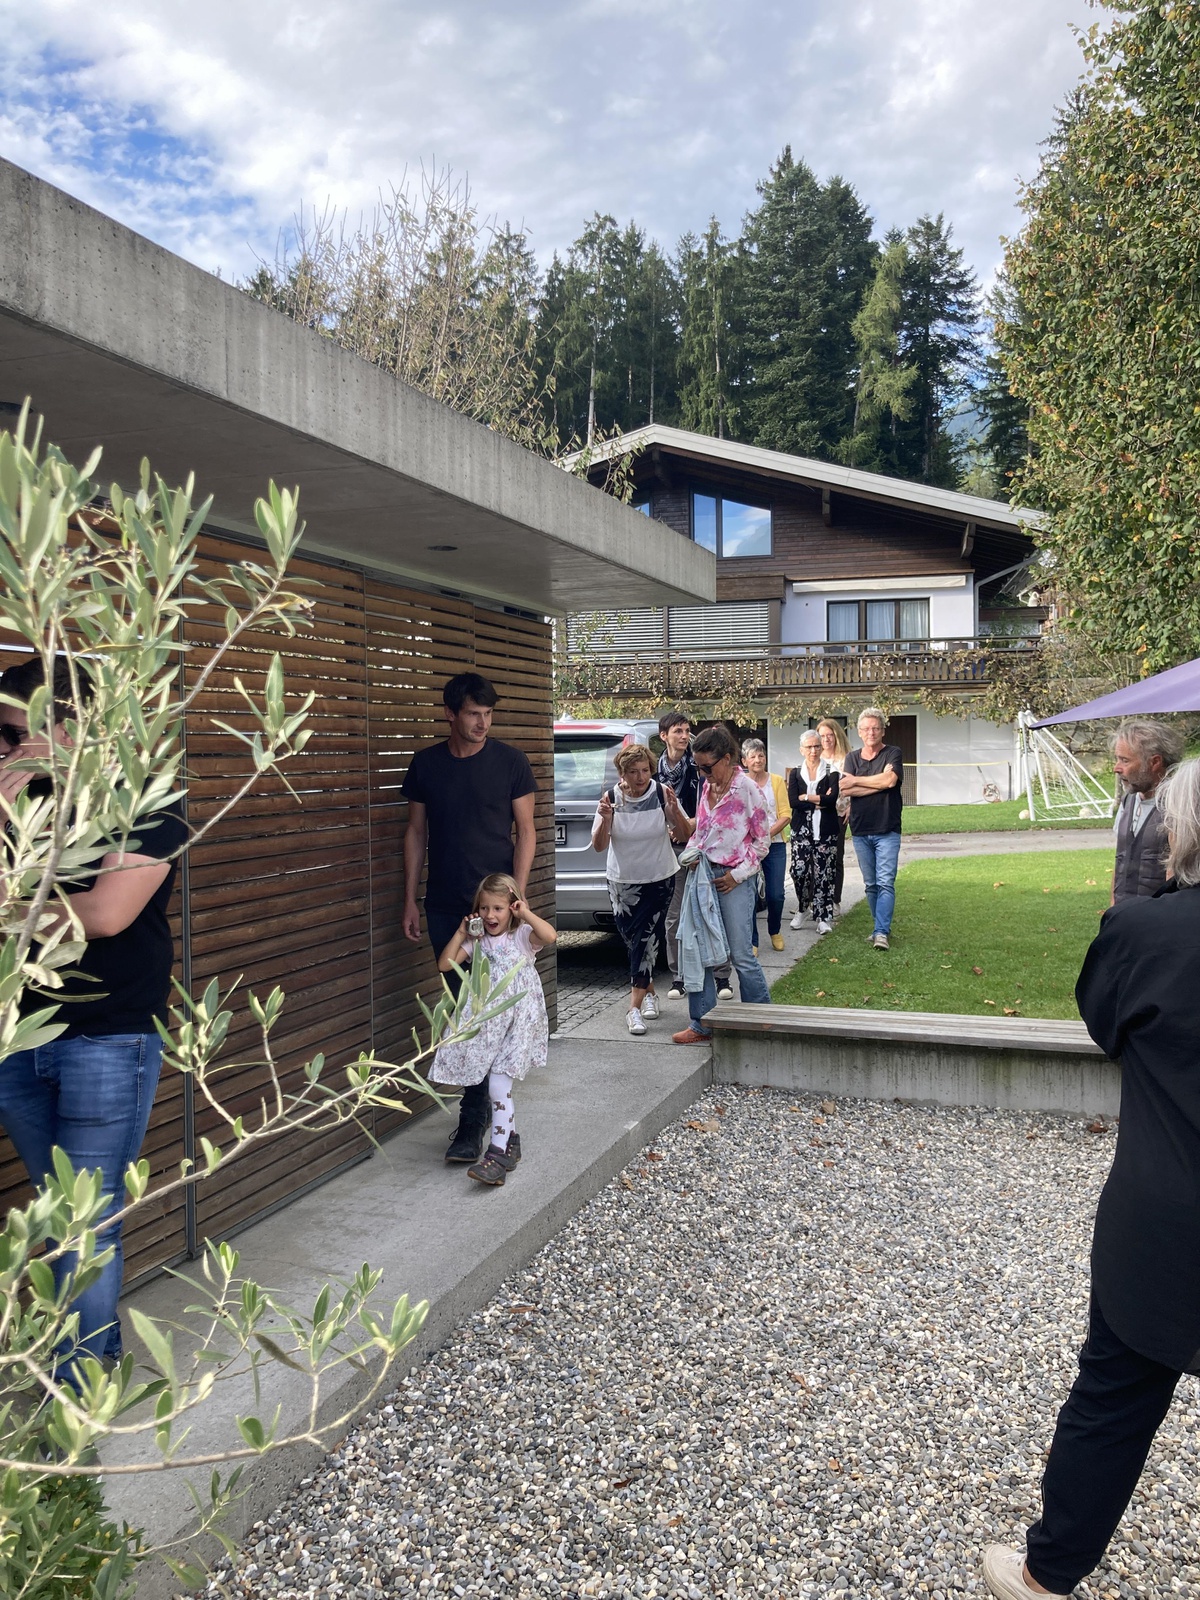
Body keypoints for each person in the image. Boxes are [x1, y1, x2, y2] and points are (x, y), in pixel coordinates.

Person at [981, 755, 1200, 1600]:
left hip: (1167, 1211)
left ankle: (1047, 1574)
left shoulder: (1144, 933)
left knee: (1114, 1394)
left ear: (1182, 831)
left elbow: (1107, 1023)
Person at [0, 654, 188, 1368]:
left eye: (14, 734)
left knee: (85, 1223)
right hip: (18, 1033)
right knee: (61, 1217)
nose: (4, 751)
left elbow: (107, 914)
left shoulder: (146, 801)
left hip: (108, 1038)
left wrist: (12, 907)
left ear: (69, 728)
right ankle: (94, 1361)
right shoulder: (15, 804)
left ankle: (76, 1400)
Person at [402, 672, 538, 1163]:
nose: (483, 723)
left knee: (483, 1013)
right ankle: (484, 1114)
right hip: (445, 906)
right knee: (464, 1010)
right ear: (451, 714)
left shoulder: (511, 762)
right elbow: (416, 834)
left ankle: (473, 1120)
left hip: (495, 911)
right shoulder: (426, 765)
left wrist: (516, 899)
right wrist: (409, 898)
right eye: (474, 714)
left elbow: (526, 832)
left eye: (488, 714)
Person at [429, 875, 556, 1189]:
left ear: (511, 908)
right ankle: (510, 1145)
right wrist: (462, 933)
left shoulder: (521, 936)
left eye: (498, 908)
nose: (490, 915)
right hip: (491, 1026)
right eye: (484, 908)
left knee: (498, 1085)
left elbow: (550, 936)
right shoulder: (478, 942)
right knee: (497, 1085)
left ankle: (497, 1154)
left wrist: (526, 913)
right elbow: (446, 964)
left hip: (519, 1023)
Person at [669, 725, 772, 1045]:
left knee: (741, 954)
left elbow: (762, 843)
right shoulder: (706, 785)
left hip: (734, 880)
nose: (702, 773)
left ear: (727, 759)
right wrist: (690, 854)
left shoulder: (747, 789)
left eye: (707, 767)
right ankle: (702, 1023)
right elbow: (701, 832)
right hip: (702, 876)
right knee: (698, 951)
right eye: (698, 767)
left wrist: (736, 876)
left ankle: (761, 1021)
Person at [591, 744, 688, 1037]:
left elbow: (684, 834)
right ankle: (650, 993)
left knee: (646, 939)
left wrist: (674, 810)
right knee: (634, 941)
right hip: (622, 882)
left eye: (645, 770)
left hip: (659, 878)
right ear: (622, 773)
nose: (641, 777)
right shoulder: (611, 799)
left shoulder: (661, 793)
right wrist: (605, 819)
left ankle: (633, 1008)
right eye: (633, 772)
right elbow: (599, 846)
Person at [657, 712, 733, 1001]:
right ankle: (679, 977)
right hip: (670, 850)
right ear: (663, 736)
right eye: (678, 730)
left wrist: (688, 829)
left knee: (711, 910)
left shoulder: (699, 766)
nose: (684, 735)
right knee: (674, 916)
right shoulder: (655, 771)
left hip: (702, 847)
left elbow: (712, 808)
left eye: (687, 730)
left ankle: (722, 975)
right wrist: (667, 830)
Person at [839, 707, 903, 950]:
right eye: (866, 729)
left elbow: (891, 781)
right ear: (859, 732)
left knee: (885, 882)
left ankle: (881, 932)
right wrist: (878, 782)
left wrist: (858, 781)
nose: (871, 733)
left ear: (883, 730)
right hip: (861, 829)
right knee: (871, 884)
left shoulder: (893, 753)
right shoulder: (852, 758)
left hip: (888, 828)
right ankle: (880, 927)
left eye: (875, 728)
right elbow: (845, 788)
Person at [1109, 717, 1182, 904]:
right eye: (1117, 759)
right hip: (1125, 914)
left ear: (1155, 762)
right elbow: (1120, 860)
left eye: (1125, 760)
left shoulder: (1178, 804)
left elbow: (1176, 874)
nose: (1116, 768)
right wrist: (1113, 909)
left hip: (1158, 915)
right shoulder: (1128, 801)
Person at [787, 730, 840, 936]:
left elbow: (832, 800)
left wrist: (806, 797)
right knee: (799, 871)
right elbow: (793, 801)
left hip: (825, 830)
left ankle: (823, 916)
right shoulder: (795, 772)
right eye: (809, 747)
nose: (813, 750)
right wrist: (818, 800)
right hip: (801, 830)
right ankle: (803, 907)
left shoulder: (831, 770)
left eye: (817, 746)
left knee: (824, 873)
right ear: (802, 749)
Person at [741, 738, 790, 951]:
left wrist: (765, 836)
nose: (757, 760)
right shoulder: (740, 783)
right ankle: (752, 940)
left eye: (761, 755)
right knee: (749, 894)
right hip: (748, 847)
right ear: (744, 761)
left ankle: (775, 930)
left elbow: (785, 815)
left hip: (774, 844)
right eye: (752, 756)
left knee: (776, 894)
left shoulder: (776, 781)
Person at [816, 717, 850, 915]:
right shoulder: (815, 758)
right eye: (822, 736)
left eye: (830, 735)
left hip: (839, 812)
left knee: (836, 857)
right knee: (814, 857)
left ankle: (834, 901)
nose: (826, 739)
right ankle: (812, 901)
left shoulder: (847, 758)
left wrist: (852, 806)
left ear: (837, 735)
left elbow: (854, 784)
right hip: (817, 812)